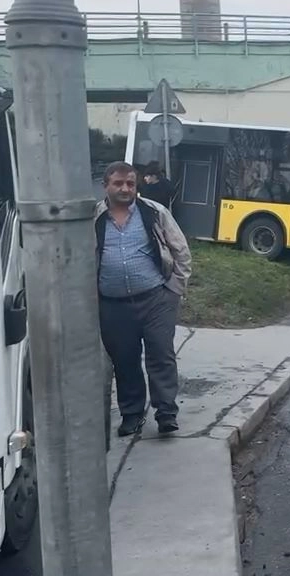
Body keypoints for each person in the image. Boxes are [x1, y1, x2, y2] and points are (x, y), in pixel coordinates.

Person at [95, 161, 192, 437]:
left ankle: (166, 414)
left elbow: (181, 251)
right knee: (124, 361)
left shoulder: (154, 212)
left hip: (156, 300)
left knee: (161, 355)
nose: (125, 189)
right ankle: (132, 415)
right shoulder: (95, 217)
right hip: (113, 305)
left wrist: (174, 288)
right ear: (106, 186)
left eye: (130, 184)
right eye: (118, 183)